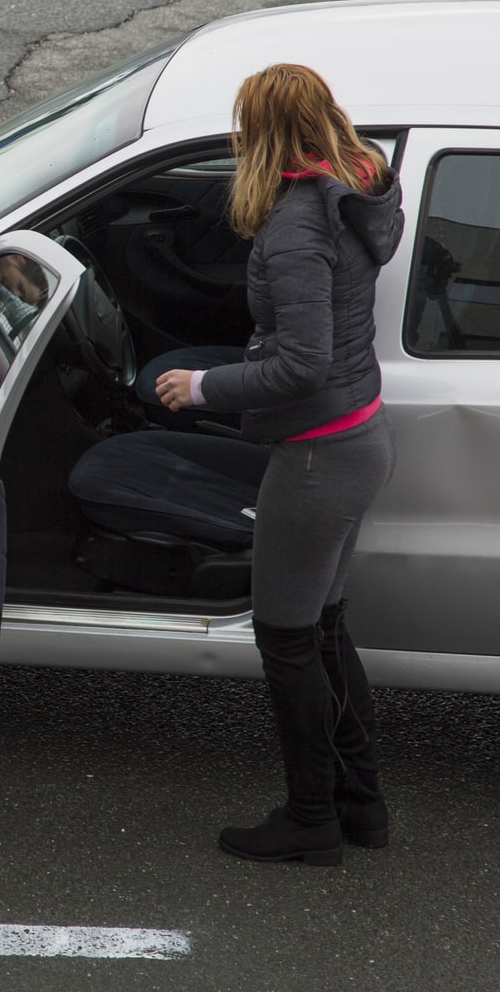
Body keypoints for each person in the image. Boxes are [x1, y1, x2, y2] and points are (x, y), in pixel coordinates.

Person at [154, 63, 403, 866]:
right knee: (324, 630)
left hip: (316, 457)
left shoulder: (297, 226)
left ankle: (309, 821)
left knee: (287, 637)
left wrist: (201, 387)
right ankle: (359, 806)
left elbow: (300, 363)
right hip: (356, 438)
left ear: (260, 132)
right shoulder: (354, 193)